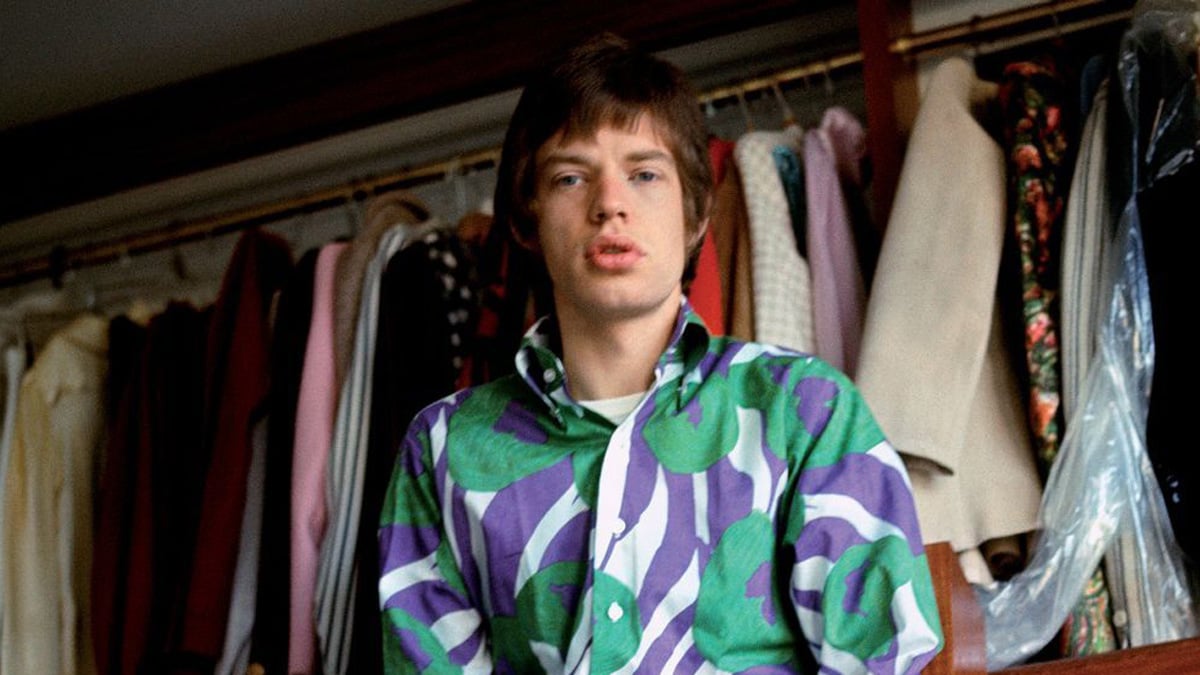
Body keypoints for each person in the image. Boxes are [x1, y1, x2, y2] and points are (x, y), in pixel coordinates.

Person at [378, 33, 943, 674]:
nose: (610, 204)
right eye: (570, 177)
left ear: (696, 213)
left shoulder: (804, 411)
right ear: (526, 219)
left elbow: (881, 661)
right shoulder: (443, 449)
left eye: (644, 174)